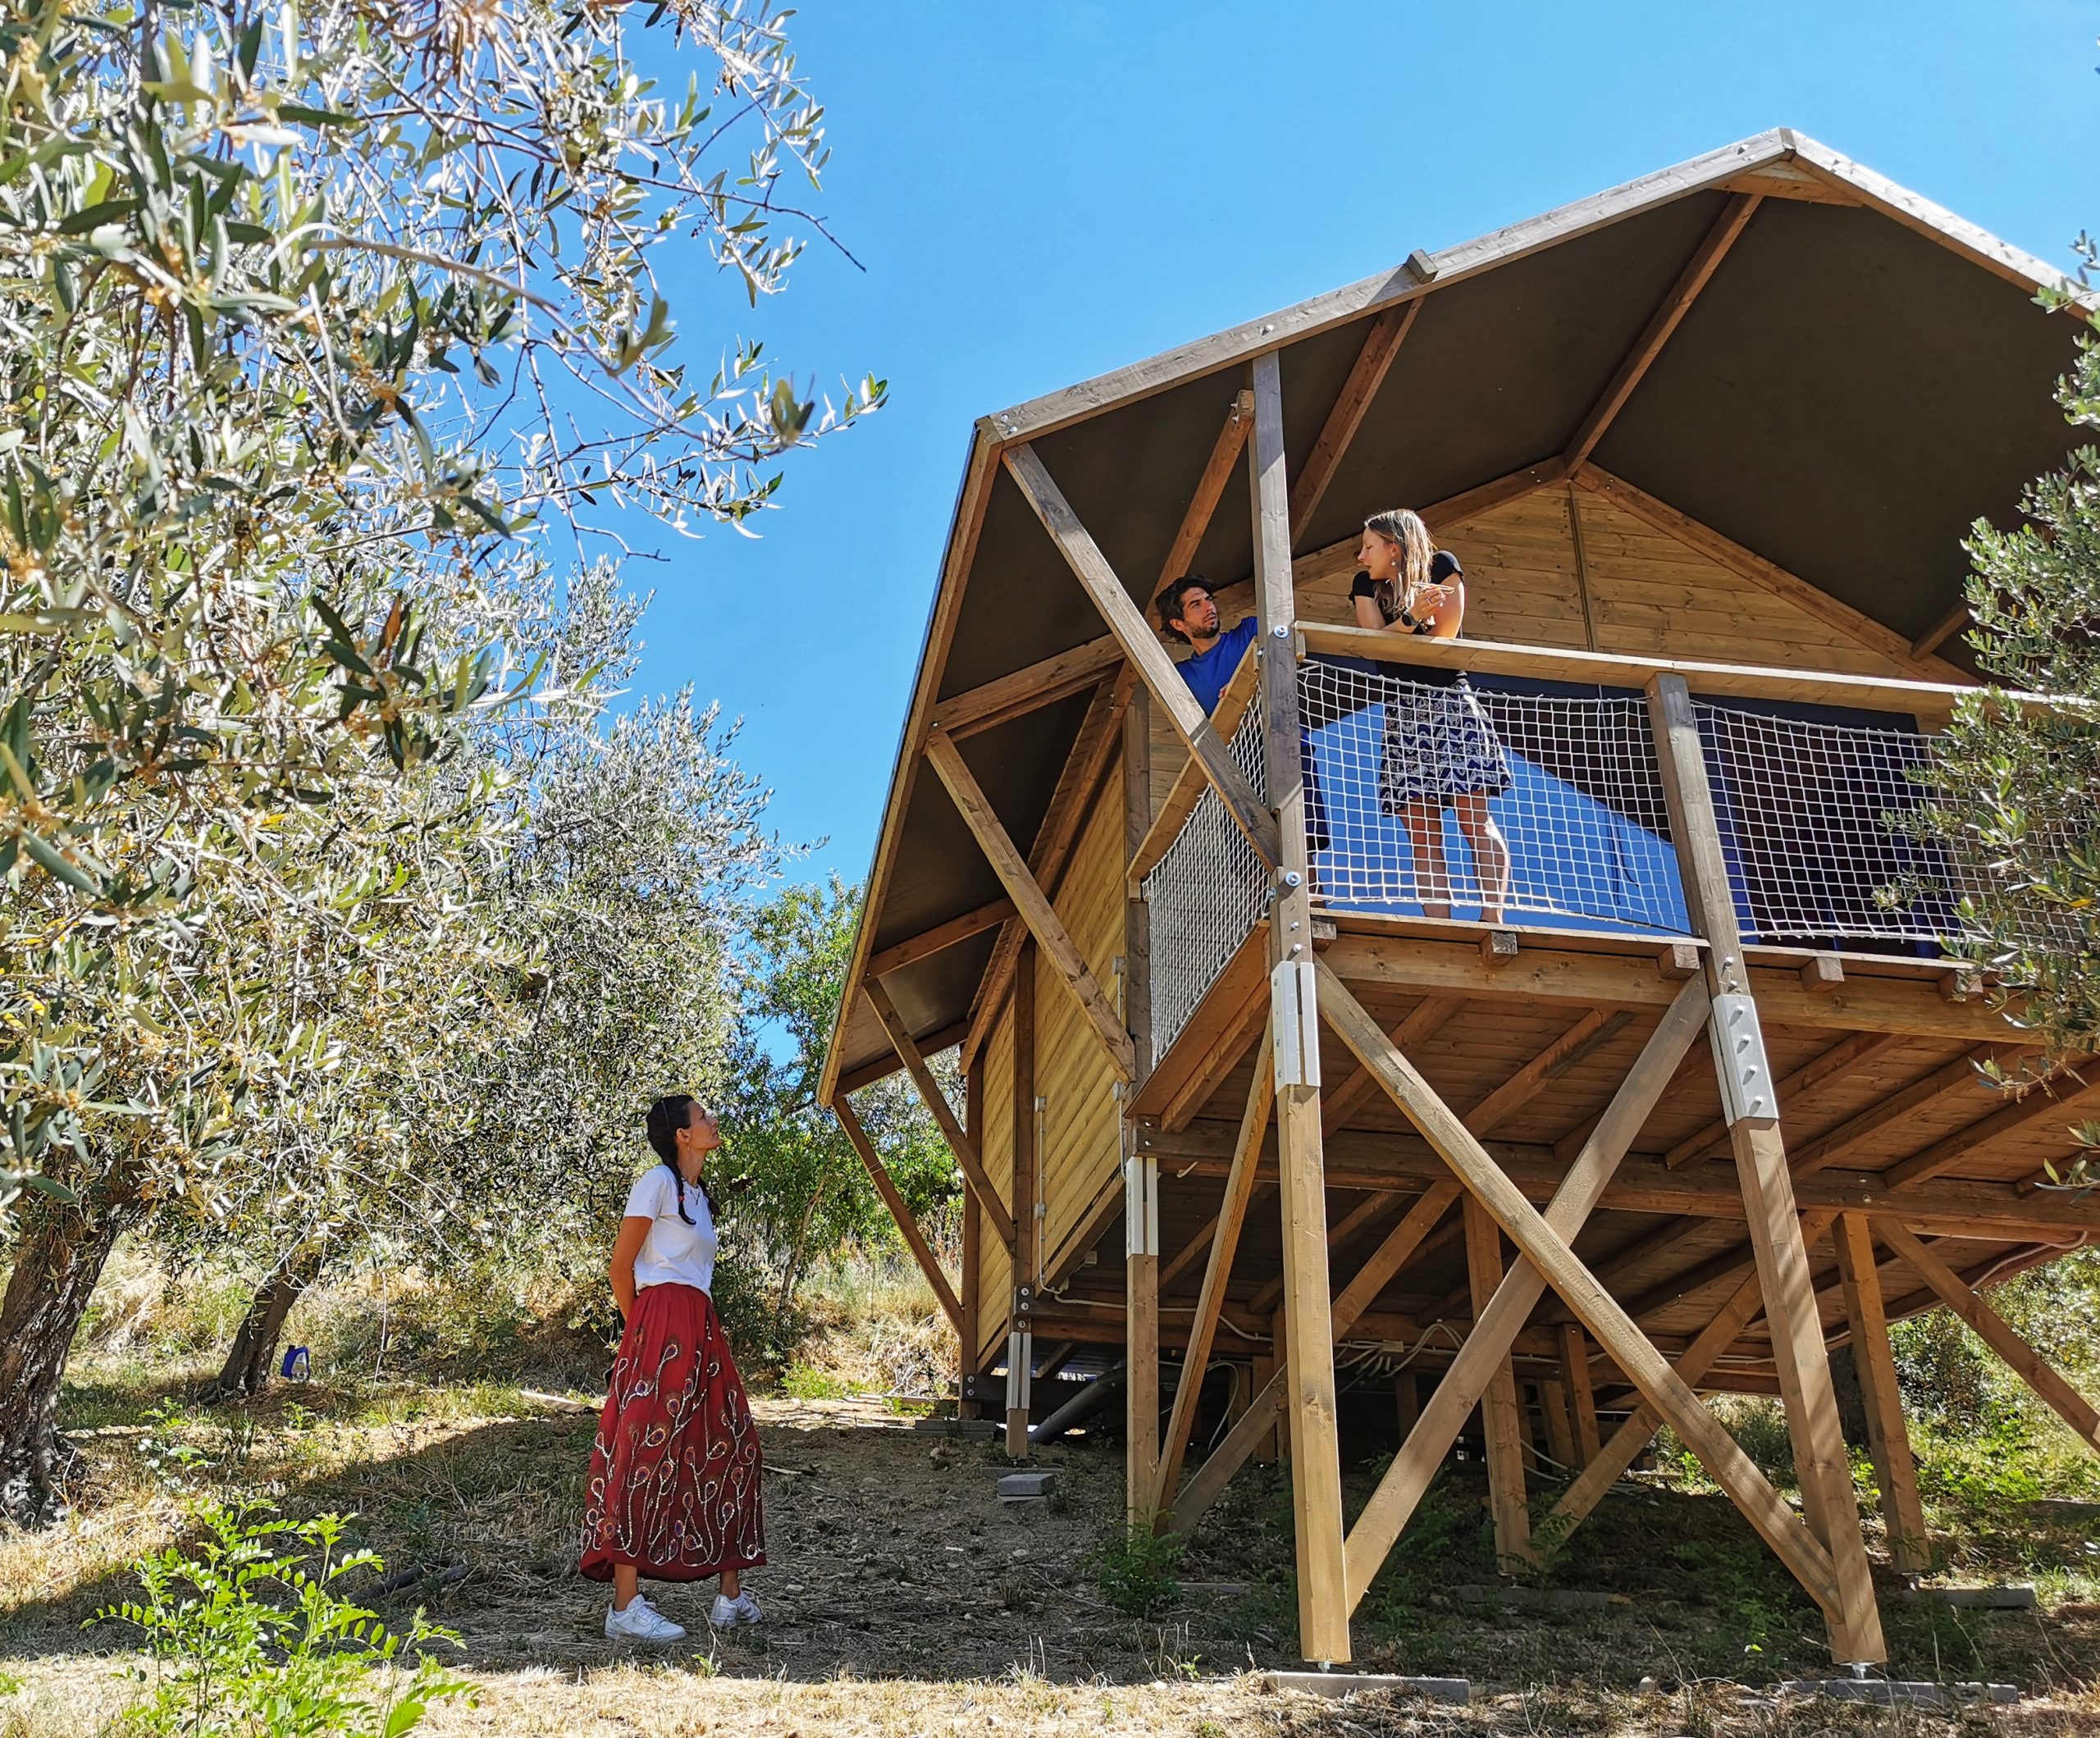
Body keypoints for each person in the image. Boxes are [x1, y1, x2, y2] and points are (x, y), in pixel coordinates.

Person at [580, 1094, 765, 1642]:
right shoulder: (656, 1182)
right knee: (643, 1448)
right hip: (659, 1318)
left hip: (700, 1321)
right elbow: (619, 1266)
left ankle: (730, 1598)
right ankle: (624, 1605)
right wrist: (643, 1332)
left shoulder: (699, 1195)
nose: (713, 1121)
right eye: (703, 1116)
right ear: (682, 1134)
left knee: (731, 1442)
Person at [1352, 509, 1512, 921]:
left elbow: (1444, 640)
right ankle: (1439, 925)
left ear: (1394, 547)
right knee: (1422, 834)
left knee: (1473, 818)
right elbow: (1373, 647)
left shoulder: (1443, 566)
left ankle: (1492, 918)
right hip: (1402, 712)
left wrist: (1406, 629)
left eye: (1368, 547)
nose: (1361, 557)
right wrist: (1410, 619)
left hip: (1450, 705)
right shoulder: (1364, 585)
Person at [1153, 576, 1329, 855]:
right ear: (1179, 624)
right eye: (1196, 604)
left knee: (1302, 850)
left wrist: (1251, 682)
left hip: (1284, 748)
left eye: (1209, 599)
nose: (1208, 607)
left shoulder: (1249, 632)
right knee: (1253, 864)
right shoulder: (1183, 676)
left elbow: (1293, 664)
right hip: (1237, 769)